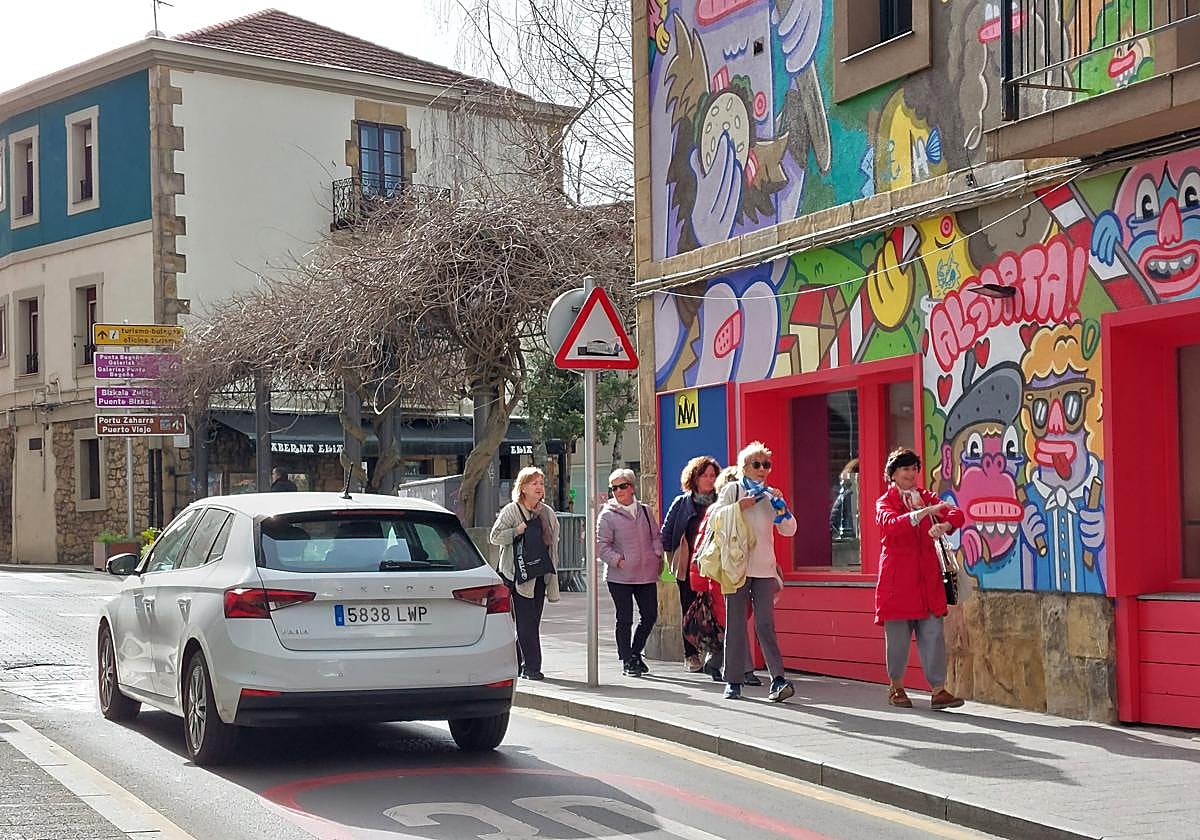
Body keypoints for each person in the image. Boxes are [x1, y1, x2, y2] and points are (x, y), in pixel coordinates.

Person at [875, 447, 967, 710]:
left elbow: (955, 514)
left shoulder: (926, 496)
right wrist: (926, 513)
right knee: (898, 641)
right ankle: (896, 687)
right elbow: (891, 525)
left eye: (914, 468)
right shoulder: (885, 502)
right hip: (897, 584)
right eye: (905, 469)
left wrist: (945, 525)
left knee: (934, 636)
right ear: (893, 474)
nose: (911, 473)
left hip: (927, 581)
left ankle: (938, 690)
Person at [718, 442, 796, 701]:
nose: (762, 469)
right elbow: (715, 519)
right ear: (743, 467)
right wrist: (740, 506)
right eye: (757, 464)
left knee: (765, 624)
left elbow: (789, 530)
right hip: (736, 568)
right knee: (736, 624)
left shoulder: (771, 495)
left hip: (764, 568)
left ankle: (778, 679)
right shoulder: (733, 489)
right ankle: (733, 680)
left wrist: (782, 510)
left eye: (766, 465)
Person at [490, 466, 560, 681]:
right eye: (534, 483)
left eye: (541, 483)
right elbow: (494, 537)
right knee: (526, 622)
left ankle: (519, 664)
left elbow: (553, 544)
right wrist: (516, 531)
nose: (539, 487)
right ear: (523, 488)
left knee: (531, 621)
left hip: (538, 573)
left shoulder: (547, 513)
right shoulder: (512, 510)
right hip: (517, 574)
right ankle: (532, 667)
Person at [597, 468, 664, 677]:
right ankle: (627, 659)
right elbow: (601, 545)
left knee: (650, 615)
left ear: (632, 487)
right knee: (624, 618)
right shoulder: (607, 515)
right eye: (614, 488)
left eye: (622, 486)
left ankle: (635, 653)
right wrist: (618, 560)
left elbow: (655, 535)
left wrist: (657, 553)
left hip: (646, 573)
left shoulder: (644, 510)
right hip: (620, 576)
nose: (618, 491)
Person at [661, 455, 722, 672]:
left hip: (715, 567)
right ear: (694, 478)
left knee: (715, 611)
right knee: (689, 609)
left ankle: (714, 654)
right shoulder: (682, 503)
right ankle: (691, 654)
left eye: (713, 475)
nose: (709, 479)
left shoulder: (721, 501)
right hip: (688, 566)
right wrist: (672, 561)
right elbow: (666, 534)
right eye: (704, 475)